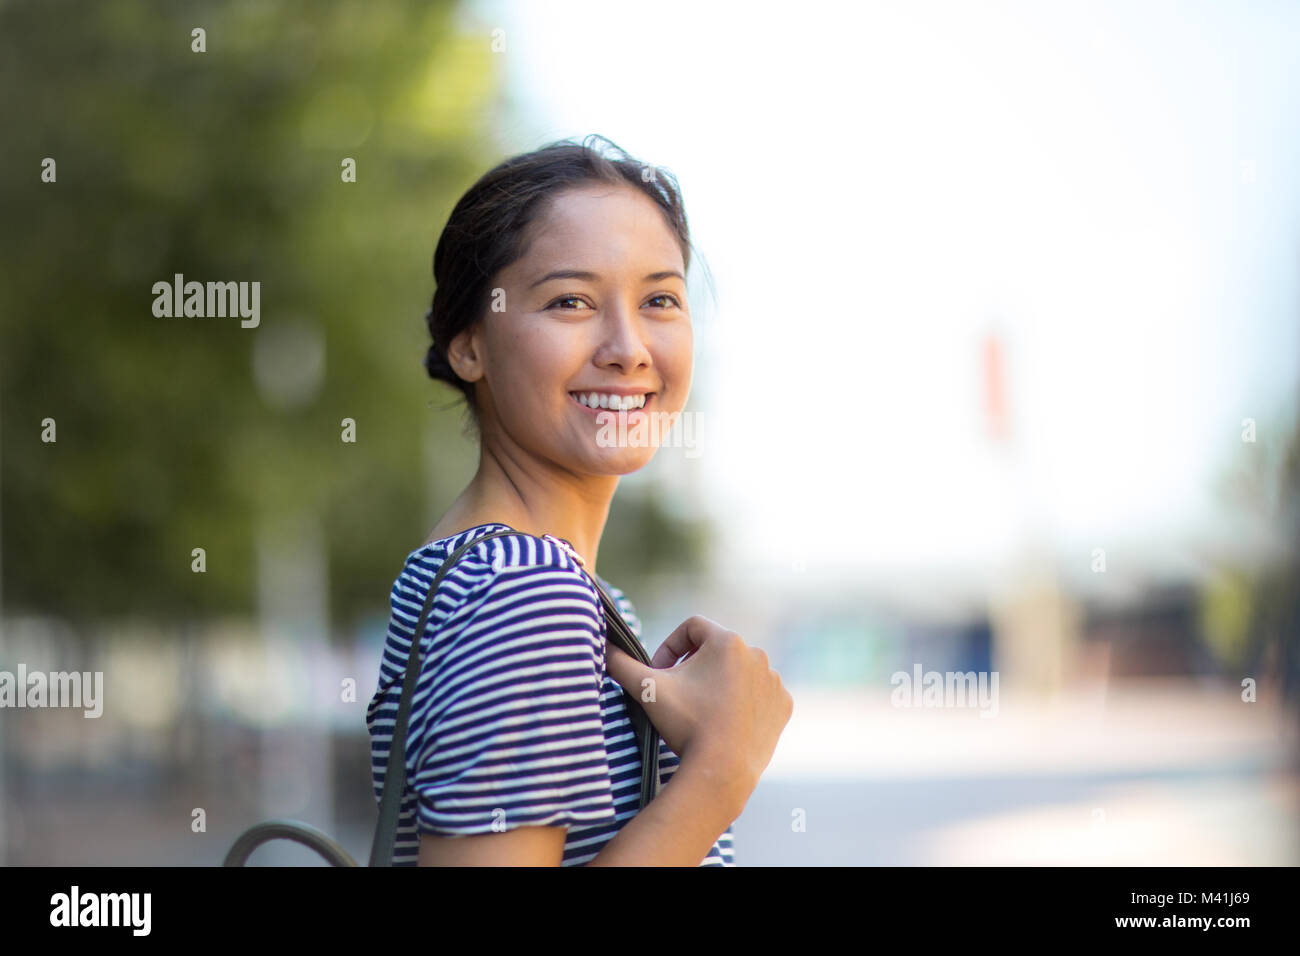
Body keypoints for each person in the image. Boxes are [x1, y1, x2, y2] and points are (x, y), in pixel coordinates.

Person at [366, 135, 792, 866]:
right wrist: (723, 770)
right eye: (570, 301)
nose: (627, 347)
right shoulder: (523, 589)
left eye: (659, 298)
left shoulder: (516, 581)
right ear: (469, 347)